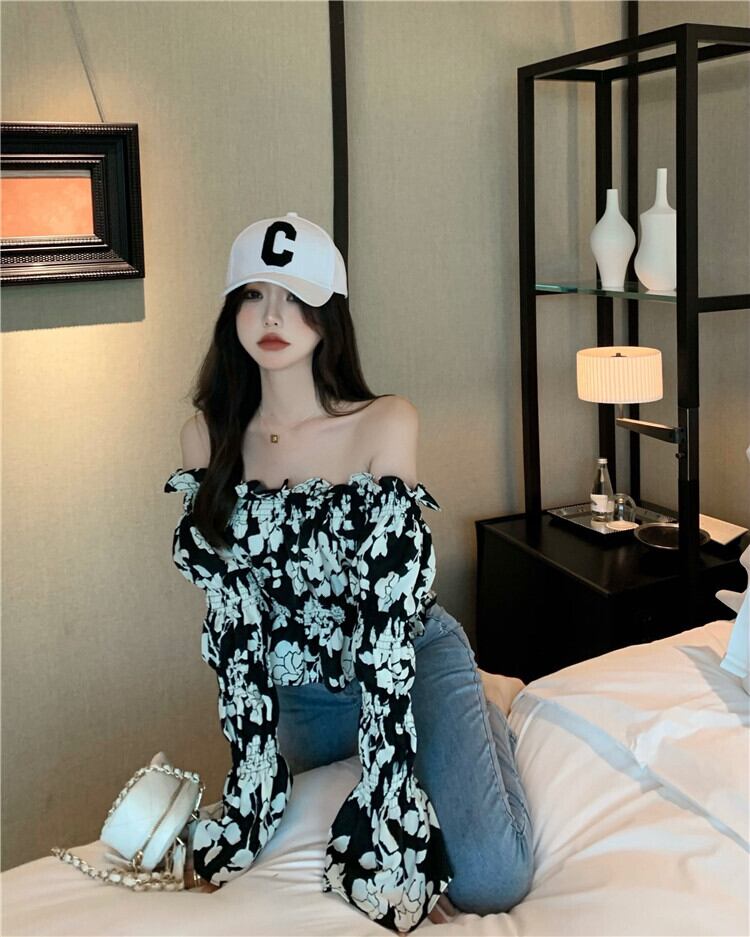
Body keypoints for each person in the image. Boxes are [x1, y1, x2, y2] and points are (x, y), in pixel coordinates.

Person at [164, 212, 534, 933]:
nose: (273, 316)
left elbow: (388, 609)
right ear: (231, 311)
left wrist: (395, 796)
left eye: (295, 297)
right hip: (303, 696)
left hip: (407, 658)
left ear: (328, 313)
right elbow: (234, 622)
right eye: (253, 295)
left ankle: (484, 702)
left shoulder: (384, 422)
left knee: (491, 878)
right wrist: (250, 777)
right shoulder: (205, 437)